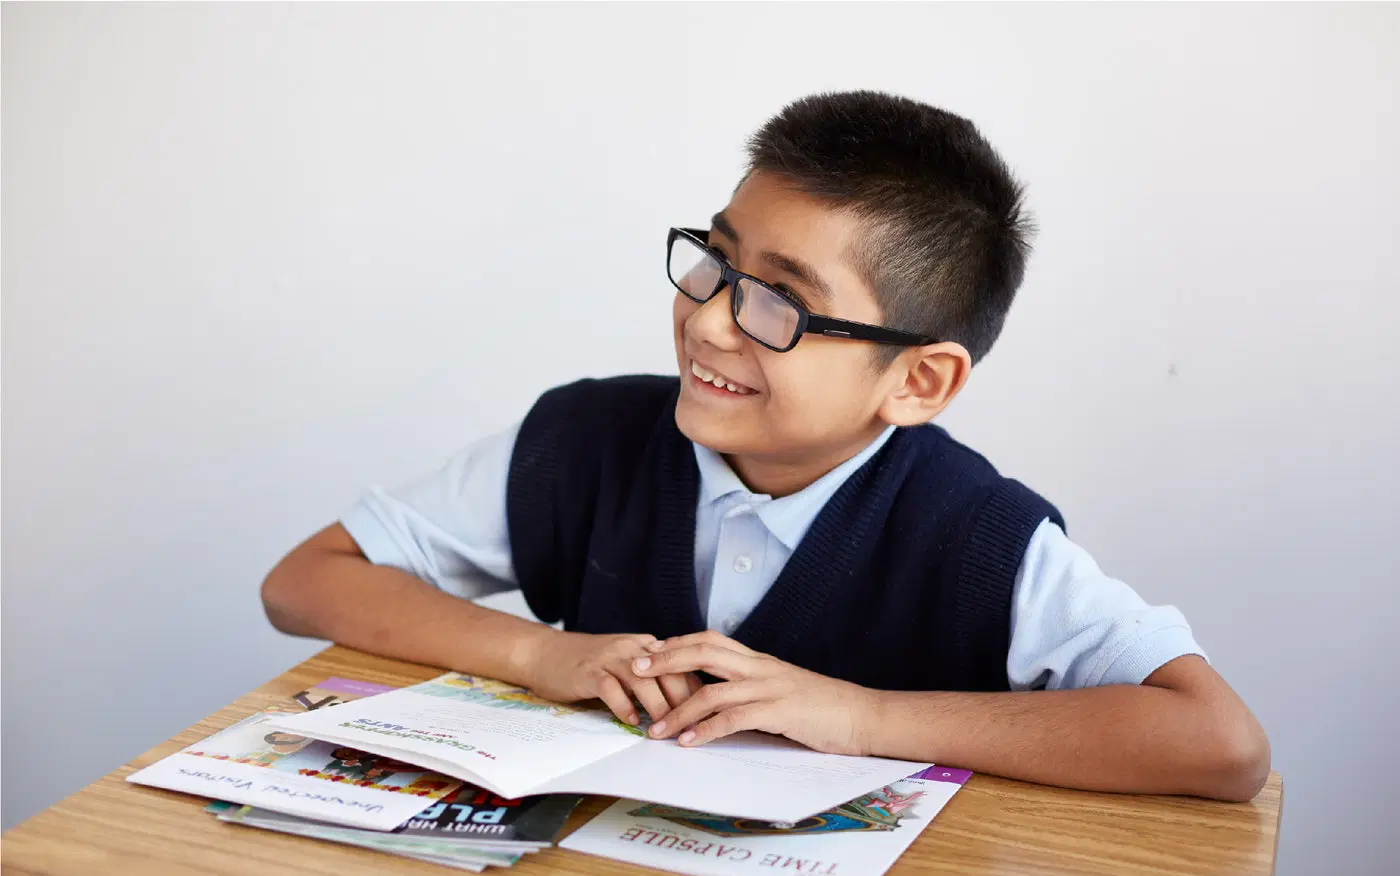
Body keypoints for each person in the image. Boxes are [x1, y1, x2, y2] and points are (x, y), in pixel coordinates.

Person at [262, 90, 1270, 801]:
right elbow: (307, 580)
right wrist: (540, 651)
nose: (707, 322)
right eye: (715, 262)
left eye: (779, 304)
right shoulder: (586, 441)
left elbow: (1218, 743)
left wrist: (860, 717)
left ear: (917, 381)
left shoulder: (975, 537)